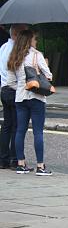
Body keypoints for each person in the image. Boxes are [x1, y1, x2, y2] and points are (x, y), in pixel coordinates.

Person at [6, 29, 53, 175]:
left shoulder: (14, 56)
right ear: (29, 41)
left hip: (20, 98)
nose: (36, 41)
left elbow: (10, 82)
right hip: (36, 98)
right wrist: (45, 64)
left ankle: (20, 164)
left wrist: (22, 86)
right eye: (34, 39)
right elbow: (49, 76)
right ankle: (40, 166)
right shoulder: (37, 55)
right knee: (38, 132)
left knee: (20, 130)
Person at [0, 24, 27, 169]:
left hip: (4, 89)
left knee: (6, 125)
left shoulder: (3, 47)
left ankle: (2, 159)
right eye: (23, 34)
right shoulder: (15, 50)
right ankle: (15, 159)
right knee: (17, 126)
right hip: (14, 90)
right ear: (16, 34)